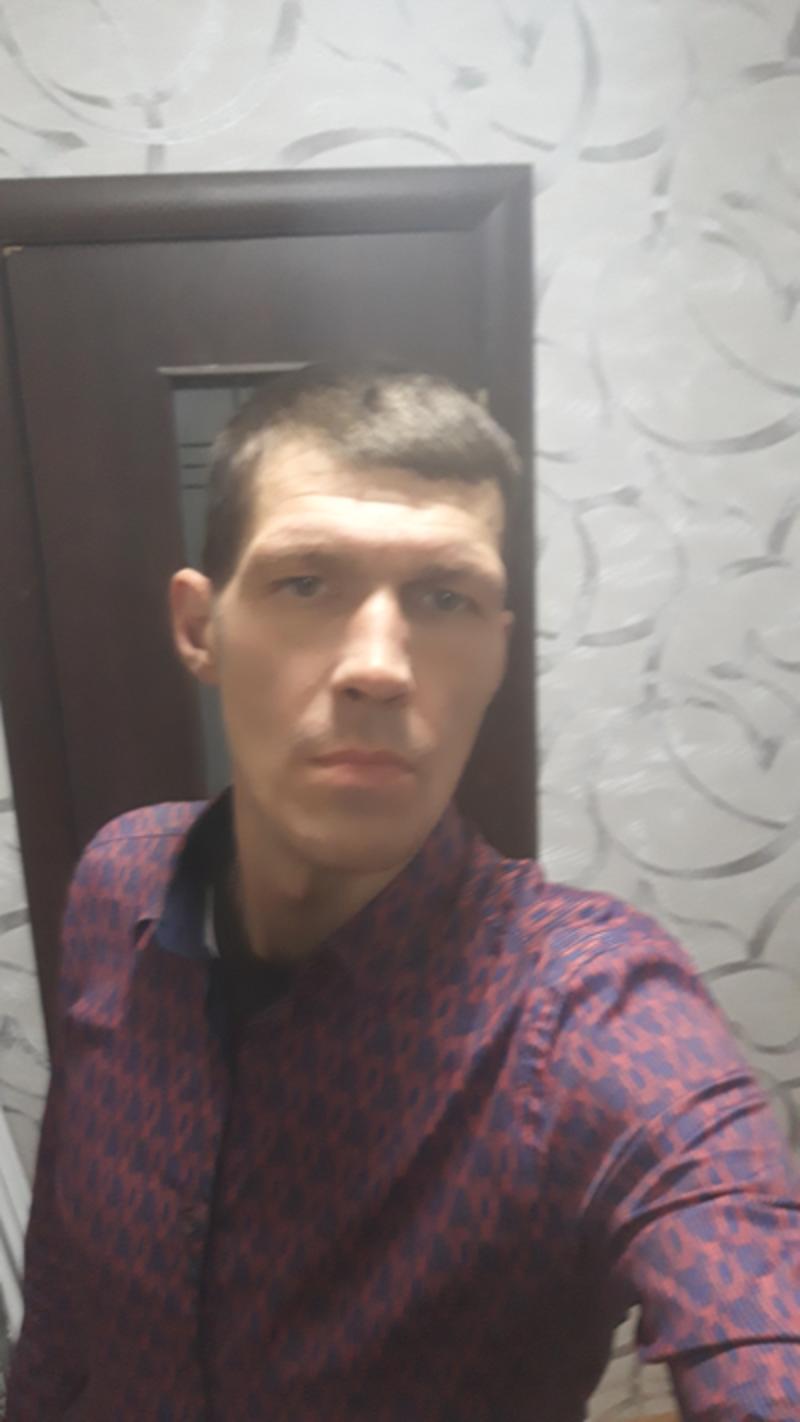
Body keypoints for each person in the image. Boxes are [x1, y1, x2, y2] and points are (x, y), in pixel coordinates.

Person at [6, 366, 799, 1421]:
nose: (379, 665)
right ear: (200, 628)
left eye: (443, 597)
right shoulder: (118, 884)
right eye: (305, 583)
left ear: (496, 653)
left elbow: (753, 1302)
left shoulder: (586, 1021)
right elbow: (63, 1280)